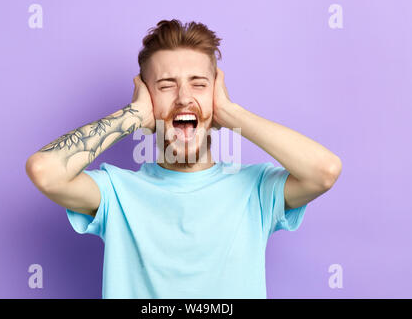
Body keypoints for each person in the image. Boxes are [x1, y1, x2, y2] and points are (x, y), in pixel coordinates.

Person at [25, 19, 342, 298]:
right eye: (165, 85)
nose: (184, 97)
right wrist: (133, 115)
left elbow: (324, 171)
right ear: (146, 96)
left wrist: (231, 113)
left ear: (216, 91)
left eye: (199, 84)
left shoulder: (256, 189)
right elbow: (45, 171)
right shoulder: (115, 192)